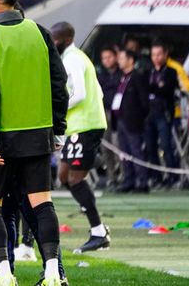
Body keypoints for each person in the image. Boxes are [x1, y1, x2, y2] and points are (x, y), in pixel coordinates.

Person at [0, 0, 68, 286]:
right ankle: (54, 273)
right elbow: (59, 83)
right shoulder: (40, 32)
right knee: (42, 204)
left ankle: (4, 274)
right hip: (39, 134)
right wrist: (59, 129)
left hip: (0, 137)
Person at [51, 22, 109, 254]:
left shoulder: (72, 58)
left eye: (54, 40)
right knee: (64, 176)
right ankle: (96, 159)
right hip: (82, 126)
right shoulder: (79, 57)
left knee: (74, 178)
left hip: (85, 126)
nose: (52, 45)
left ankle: (98, 232)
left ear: (64, 39)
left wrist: (57, 109)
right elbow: (98, 91)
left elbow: (80, 94)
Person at [113, 49, 150, 193]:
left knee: (136, 151)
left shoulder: (137, 77)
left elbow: (144, 102)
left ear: (130, 60)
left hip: (132, 121)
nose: (119, 60)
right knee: (124, 152)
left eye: (122, 58)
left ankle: (142, 181)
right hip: (121, 119)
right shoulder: (122, 77)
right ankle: (129, 180)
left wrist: (138, 118)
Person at [144, 41, 180, 188]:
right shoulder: (148, 72)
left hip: (163, 113)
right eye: (154, 54)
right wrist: (155, 87)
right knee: (150, 146)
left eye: (159, 54)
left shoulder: (171, 72)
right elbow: (146, 89)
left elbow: (166, 90)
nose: (156, 57)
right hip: (149, 114)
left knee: (166, 145)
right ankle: (156, 177)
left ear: (165, 54)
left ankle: (173, 177)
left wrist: (154, 88)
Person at [97, 46, 122, 189]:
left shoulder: (121, 73)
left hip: (118, 114)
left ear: (116, 57)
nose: (107, 60)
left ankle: (124, 176)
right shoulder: (100, 74)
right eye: (104, 58)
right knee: (106, 147)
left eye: (109, 57)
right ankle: (111, 177)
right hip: (104, 112)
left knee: (119, 146)